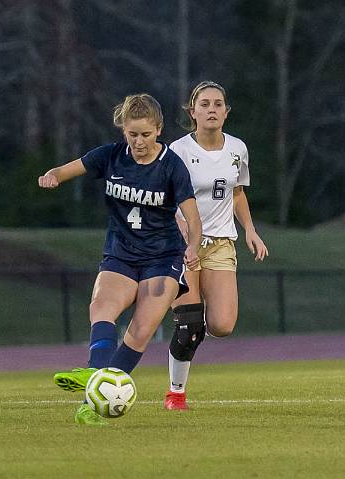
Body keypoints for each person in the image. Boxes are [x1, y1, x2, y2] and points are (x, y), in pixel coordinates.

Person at [38, 93, 202, 425]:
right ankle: (94, 373)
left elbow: (193, 219)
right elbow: (65, 169)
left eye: (145, 134)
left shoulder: (171, 166)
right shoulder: (110, 156)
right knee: (101, 307)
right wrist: (53, 175)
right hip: (122, 253)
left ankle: (91, 403)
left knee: (141, 330)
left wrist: (193, 247)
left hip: (162, 258)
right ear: (123, 130)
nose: (139, 141)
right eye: (132, 134)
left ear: (158, 129)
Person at [163, 81, 269, 410]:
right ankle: (175, 394)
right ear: (192, 112)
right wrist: (177, 223)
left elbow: (237, 192)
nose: (212, 109)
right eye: (205, 104)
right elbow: (161, 197)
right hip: (182, 246)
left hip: (221, 243)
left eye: (218, 104)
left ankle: (187, 325)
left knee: (221, 325)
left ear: (226, 112)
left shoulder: (237, 149)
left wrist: (250, 229)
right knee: (190, 324)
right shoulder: (177, 152)